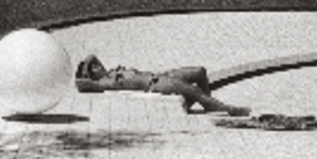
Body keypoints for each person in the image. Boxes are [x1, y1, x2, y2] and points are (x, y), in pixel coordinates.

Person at [75, 55, 250, 116]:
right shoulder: (104, 83)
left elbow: (92, 55)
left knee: (200, 71)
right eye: (94, 68)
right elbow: (81, 84)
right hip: (156, 85)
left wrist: (87, 62)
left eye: (97, 64)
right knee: (195, 90)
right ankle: (226, 108)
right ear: (92, 75)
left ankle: (208, 102)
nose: (98, 65)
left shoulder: (109, 73)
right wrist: (84, 71)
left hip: (160, 76)